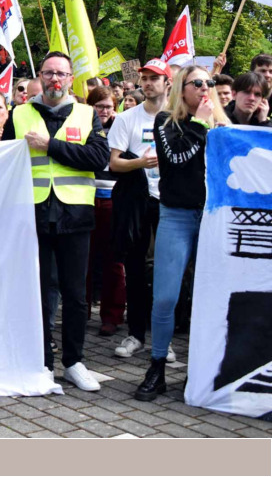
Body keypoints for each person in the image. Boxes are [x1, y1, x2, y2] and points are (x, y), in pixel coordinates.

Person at [3, 51, 110, 391]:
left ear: (70, 78)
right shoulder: (18, 114)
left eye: (61, 74)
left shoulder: (87, 113)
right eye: (49, 73)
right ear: (40, 76)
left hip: (75, 216)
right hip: (32, 214)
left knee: (76, 294)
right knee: (38, 293)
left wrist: (51, 146)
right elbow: (2, 162)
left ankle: (74, 361)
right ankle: (42, 363)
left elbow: (98, 158)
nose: (54, 80)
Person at [134, 65, 229, 401]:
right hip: (175, 216)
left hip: (214, 218)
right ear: (181, 89)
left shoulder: (223, 126)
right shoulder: (165, 122)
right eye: (197, 83)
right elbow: (175, 158)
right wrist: (201, 125)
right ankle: (157, 366)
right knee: (165, 297)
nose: (205, 87)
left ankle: (204, 369)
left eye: (209, 82)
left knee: (212, 298)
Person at [108, 59, 171, 361]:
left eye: (154, 78)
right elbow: (114, 163)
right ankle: (135, 334)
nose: (147, 83)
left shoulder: (178, 119)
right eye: (144, 78)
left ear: (167, 83)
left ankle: (162, 337)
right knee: (134, 268)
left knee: (165, 272)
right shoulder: (126, 118)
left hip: (171, 203)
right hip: (136, 203)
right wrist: (140, 163)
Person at [85, 86, 122, 336]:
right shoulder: (84, 129)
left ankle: (112, 316)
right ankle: (82, 312)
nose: (105, 111)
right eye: (100, 106)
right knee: (84, 260)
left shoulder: (121, 129)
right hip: (86, 199)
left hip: (113, 201)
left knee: (113, 261)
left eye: (109, 106)